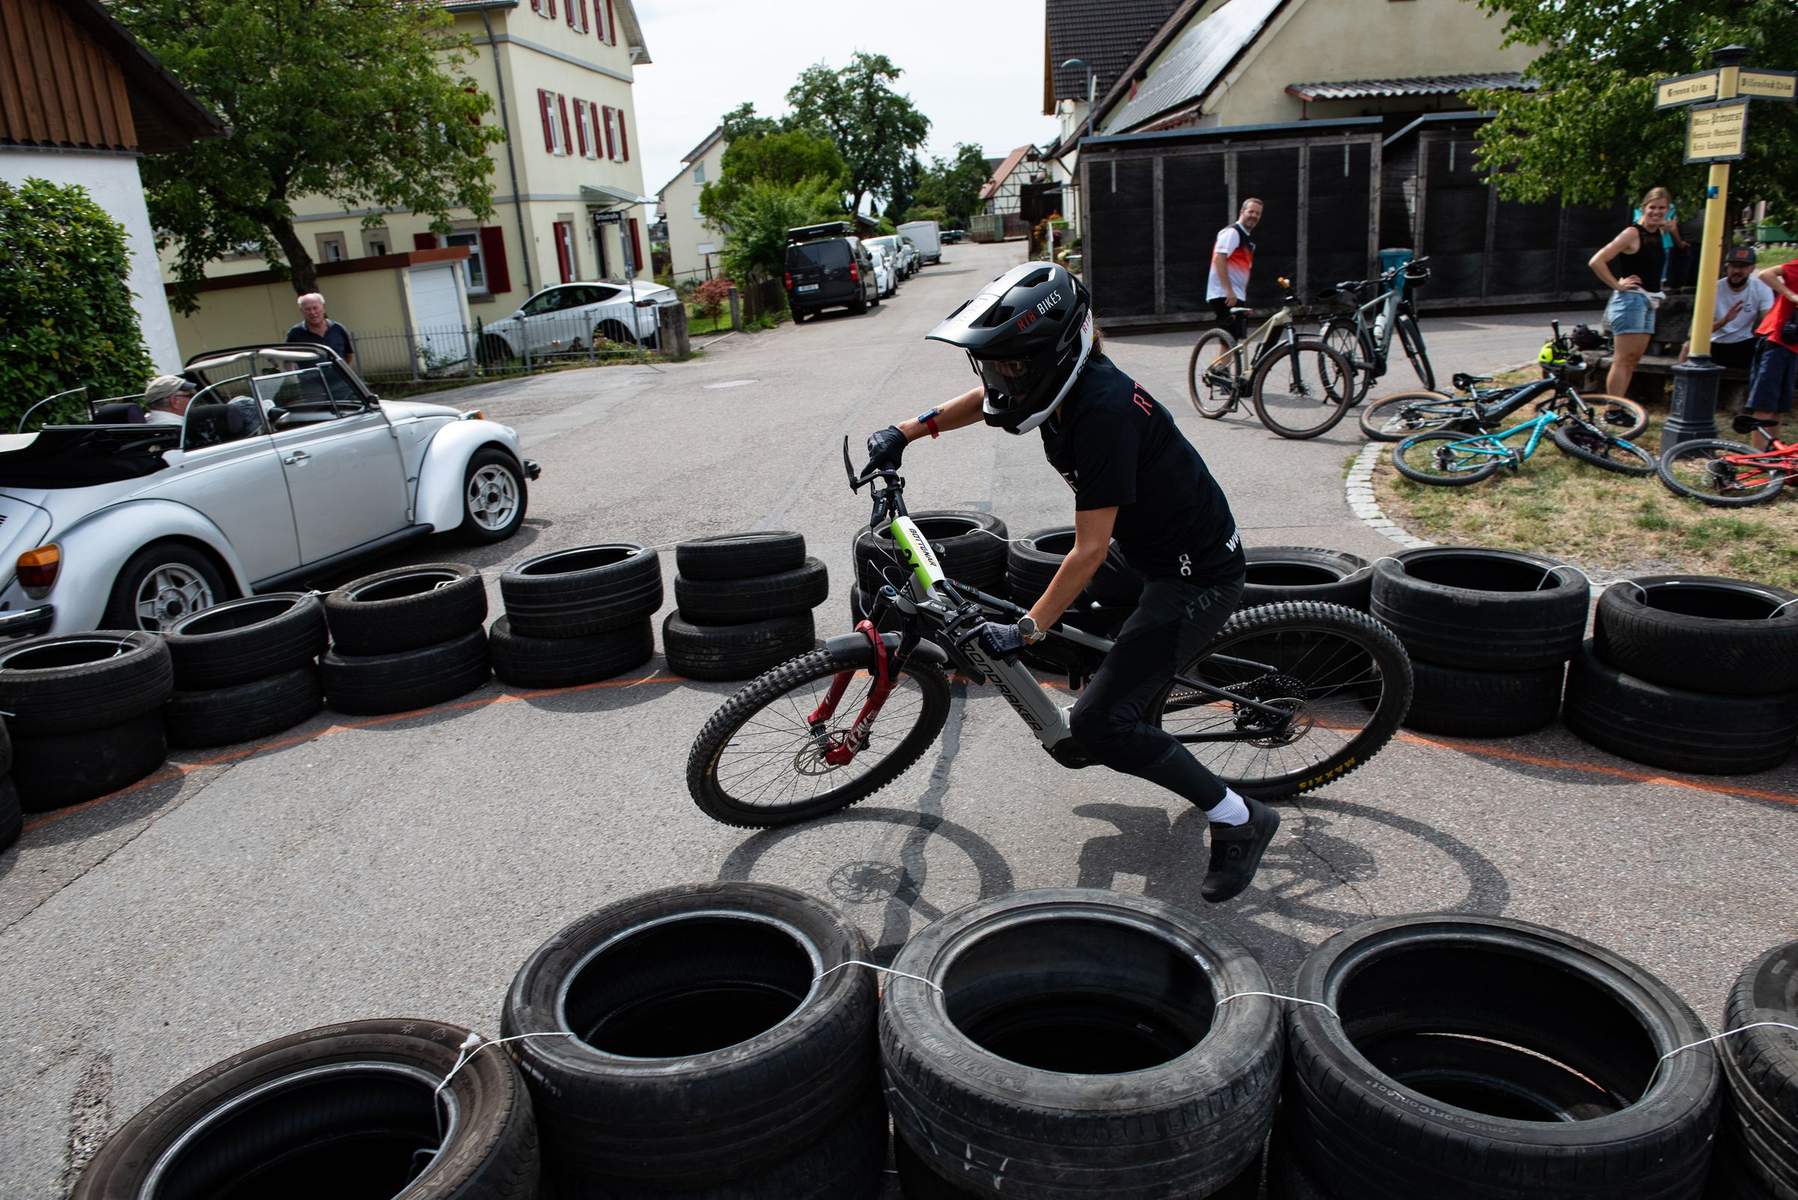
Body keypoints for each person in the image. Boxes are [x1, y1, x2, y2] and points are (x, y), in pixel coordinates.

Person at [862, 262, 1279, 904]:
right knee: (1068, 636)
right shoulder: (1055, 384)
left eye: (1010, 365)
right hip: (1148, 549)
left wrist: (1027, 629)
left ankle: (1239, 817)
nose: (999, 379)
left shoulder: (1103, 412)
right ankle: (1132, 702)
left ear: (1053, 354)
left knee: (1100, 724)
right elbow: (989, 402)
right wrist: (907, 431)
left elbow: (1088, 551)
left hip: (1194, 574)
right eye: (992, 366)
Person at [1590, 187, 1672, 398]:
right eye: (1652, 207)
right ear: (1643, 208)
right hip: (1631, 300)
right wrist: (1617, 285)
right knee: (1622, 359)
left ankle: (1620, 403)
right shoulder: (1632, 233)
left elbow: (1670, 226)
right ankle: (1612, 407)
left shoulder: (1660, 232)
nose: (1657, 212)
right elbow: (1597, 261)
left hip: (1650, 300)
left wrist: (1667, 225)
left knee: (1633, 359)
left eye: (1662, 208)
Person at [1681, 245, 1773, 372]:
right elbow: (1693, 332)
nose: (1737, 271)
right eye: (1733, 266)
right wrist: (1724, 321)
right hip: (1712, 344)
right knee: (1688, 346)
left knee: (1770, 350)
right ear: (1727, 267)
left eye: (1743, 267)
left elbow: (1768, 323)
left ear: (1752, 269)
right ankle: (1680, 383)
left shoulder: (1761, 288)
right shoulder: (1712, 289)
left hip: (1743, 343)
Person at [1744, 253, 1798, 449]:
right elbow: (1766, 274)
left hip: (1793, 347)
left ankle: (1771, 453)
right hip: (1777, 340)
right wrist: (1792, 296)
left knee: (1779, 406)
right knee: (1765, 404)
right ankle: (1757, 455)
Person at [1207, 198, 1263, 340]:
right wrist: (1228, 290)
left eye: (1258, 213)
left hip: (1234, 295)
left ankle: (1226, 357)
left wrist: (1241, 298)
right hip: (1225, 294)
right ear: (1242, 212)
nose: (1254, 216)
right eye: (1251, 211)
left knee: (1233, 341)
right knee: (1229, 340)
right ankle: (1223, 358)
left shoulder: (1246, 239)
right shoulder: (1233, 232)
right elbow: (1219, 259)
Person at [286, 292, 355, 367]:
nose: (312, 312)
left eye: (315, 308)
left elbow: (348, 355)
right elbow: (288, 360)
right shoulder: (295, 333)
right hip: (311, 375)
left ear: (323, 308)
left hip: (338, 375)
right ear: (301, 311)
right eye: (307, 309)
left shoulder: (338, 328)